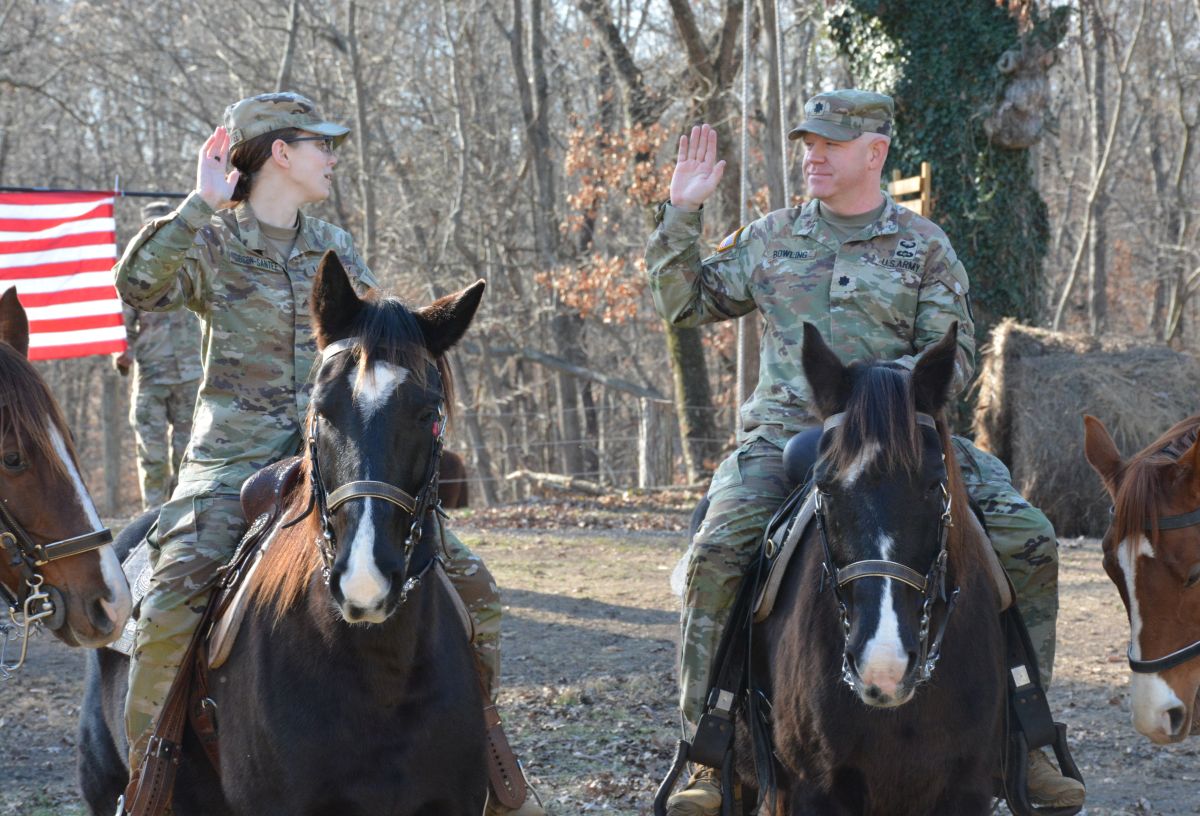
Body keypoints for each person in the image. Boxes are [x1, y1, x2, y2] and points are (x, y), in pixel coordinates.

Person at [646, 90, 1084, 815]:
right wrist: (683, 213)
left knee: (1030, 540)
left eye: (831, 143)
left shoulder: (925, 246)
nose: (813, 155)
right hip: (784, 438)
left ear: (873, 152)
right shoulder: (772, 236)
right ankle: (708, 750)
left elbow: (958, 353)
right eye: (809, 143)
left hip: (906, 438)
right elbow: (682, 304)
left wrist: (896, 396)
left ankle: (1027, 740)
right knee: (720, 551)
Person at [114, 91, 543, 816]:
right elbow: (137, 283)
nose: (332, 157)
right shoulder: (213, 243)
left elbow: (383, 341)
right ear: (280, 153)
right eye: (321, 144)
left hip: (337, 462)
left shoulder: (335, 249)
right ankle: (148, 783)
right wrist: (198, 203)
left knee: (475, 588)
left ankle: (491, 763)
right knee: (167, 609)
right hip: (231, 467)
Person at [114, 201, 203, 509]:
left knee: (188, 451)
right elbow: (122, 323)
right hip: (151, 375)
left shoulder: (192, 262)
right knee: (152, 455)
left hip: (191, 375)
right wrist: (122, 352)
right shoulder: (137, 270)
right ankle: (150, 516)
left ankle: (179, 513)